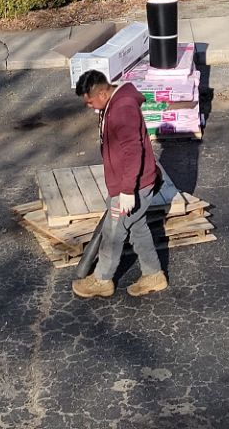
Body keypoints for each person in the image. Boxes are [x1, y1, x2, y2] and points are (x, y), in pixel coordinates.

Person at [71, 69, 167, 299]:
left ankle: (102, 280)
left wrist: (126, 191)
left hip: (133, 186)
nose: (89, 106)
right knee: (137, 227)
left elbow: (132, 152)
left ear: (103, 93)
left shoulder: (122, 109)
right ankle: (154, 274)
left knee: (113, 232)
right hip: (132, 182)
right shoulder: (112, 104)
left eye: (90, 101)